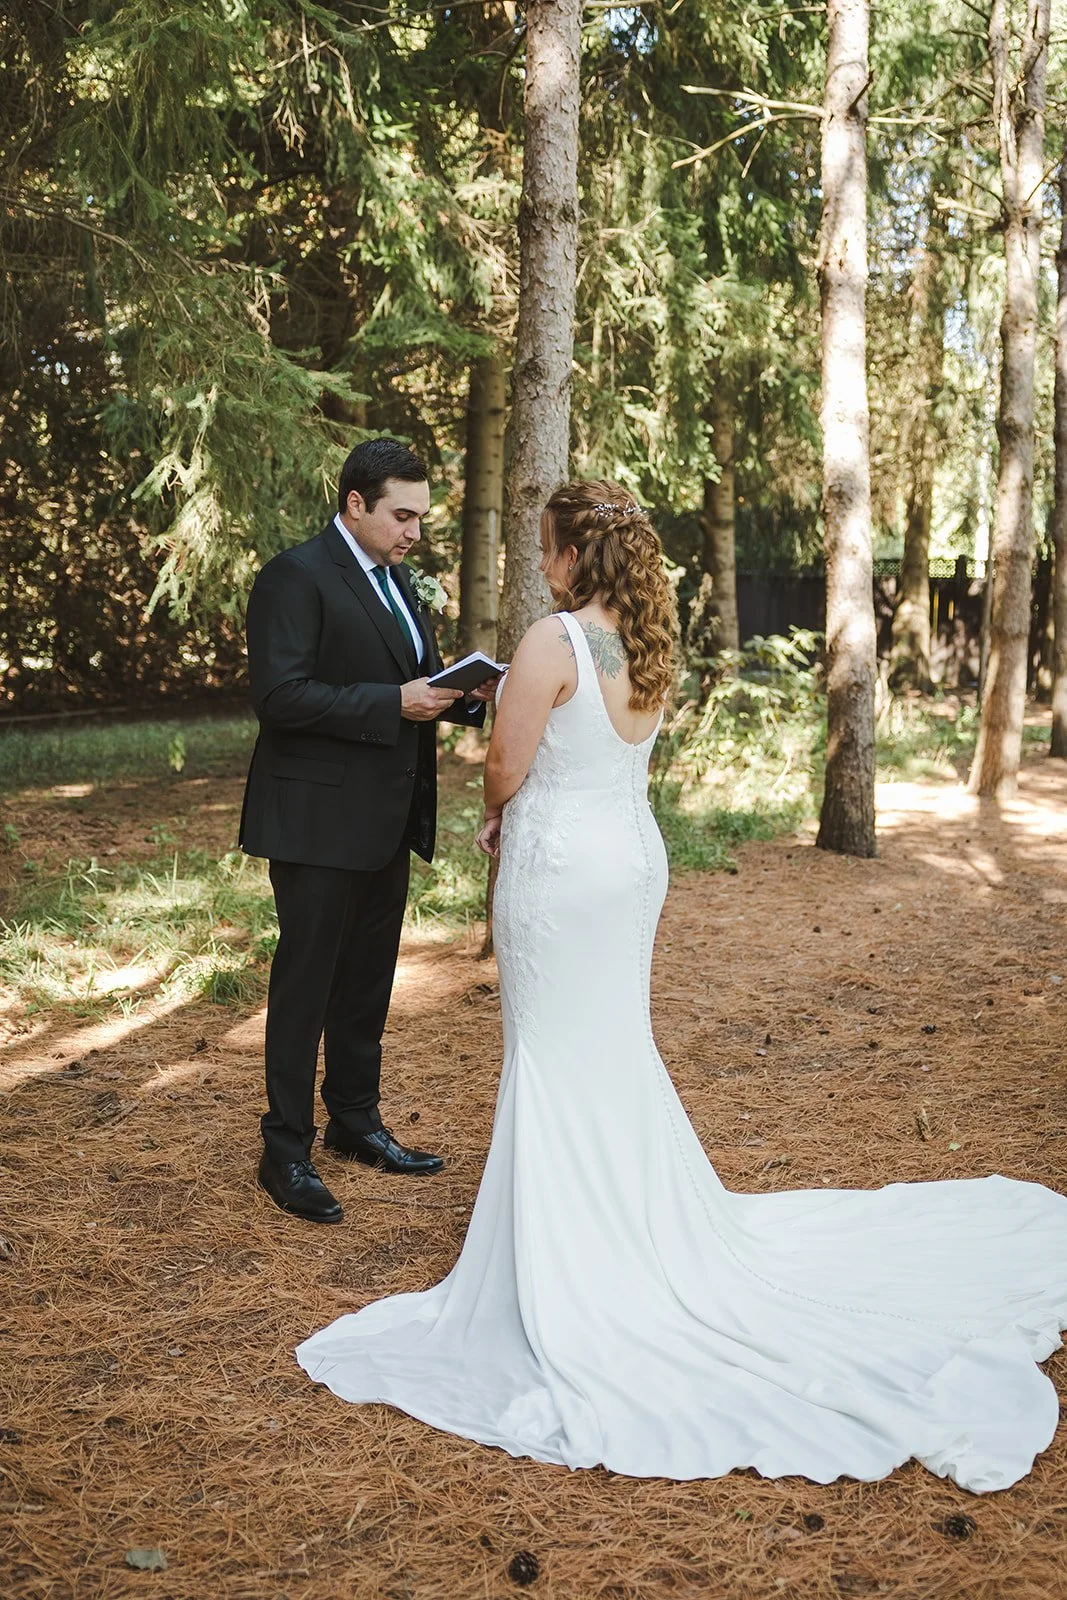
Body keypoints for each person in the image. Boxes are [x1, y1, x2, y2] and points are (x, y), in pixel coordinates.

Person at [295, 480, 1067, 1493]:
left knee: (550, 1053)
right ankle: (626, 1224)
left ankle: (572, 1253)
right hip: (627, 859)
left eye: (547, 548)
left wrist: (492, 813)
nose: (542, 564)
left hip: (562, 868)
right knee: (609, 1046)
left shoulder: (552, 641)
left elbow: (505, 765)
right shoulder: (643, 641)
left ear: (575, 554)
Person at [240, 438, 497, 1224]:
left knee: (365, 984)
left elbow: (409, 679)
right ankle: (285, 1150)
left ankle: (354, 1122)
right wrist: (394, 703)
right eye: (402, 515)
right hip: (315, 822)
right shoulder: (294, 575)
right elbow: (280, 696)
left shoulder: (397, 581)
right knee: (306, 988)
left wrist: (463, 695)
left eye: (420, 517)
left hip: (387, 819)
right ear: (355, 504)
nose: (414, 531)